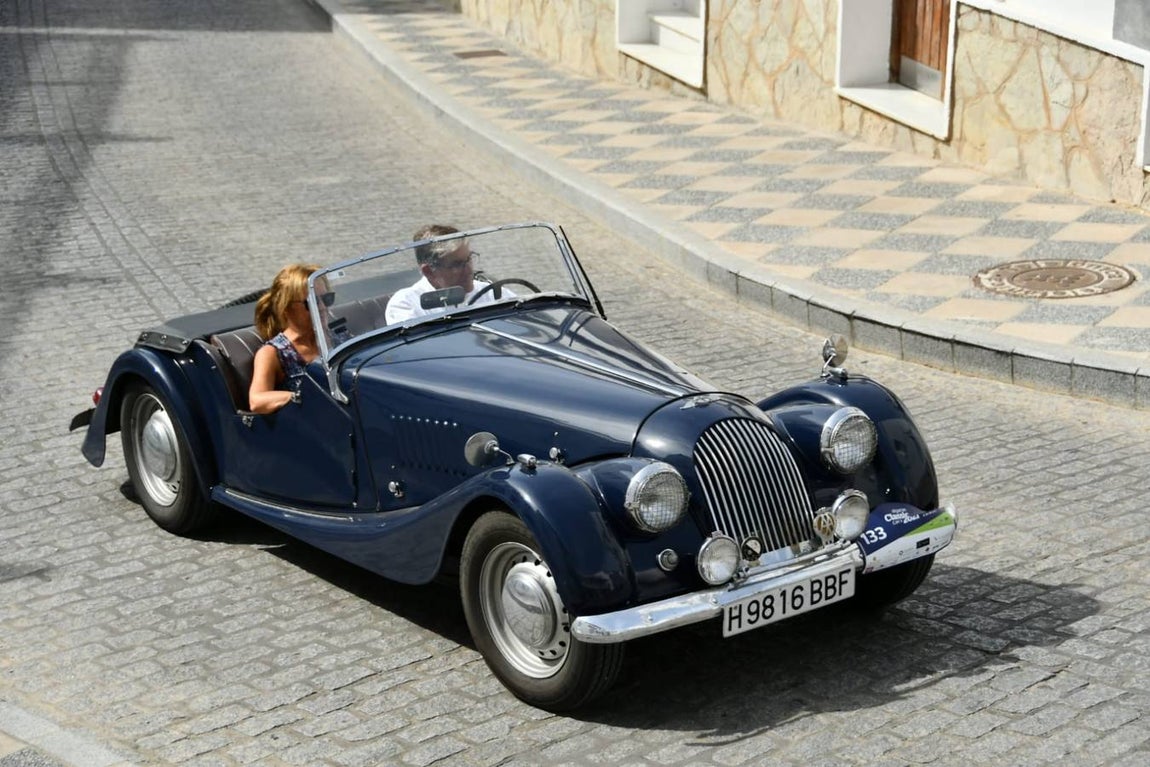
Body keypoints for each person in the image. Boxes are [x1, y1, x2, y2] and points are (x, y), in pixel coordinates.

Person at [384, 224, 504, 324]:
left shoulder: (489, 293)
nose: (469, 271)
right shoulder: (406, 304)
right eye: (457, 264)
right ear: (429, 272)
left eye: (469, 259)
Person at [249, 263, 325, 414]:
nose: (322, 307)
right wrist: (302, 396)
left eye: (327, 299)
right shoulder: (272, 353)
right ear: (286, 309)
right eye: (312, 302)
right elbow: (256, 401)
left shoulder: (336, 337)